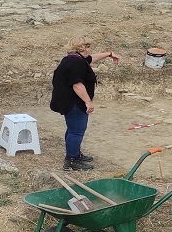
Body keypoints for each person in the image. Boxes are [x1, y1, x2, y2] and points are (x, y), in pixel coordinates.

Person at [50, 37, 120, 171]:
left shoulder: (73, 59)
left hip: (68, 101)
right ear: (81, 48)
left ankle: (75, 154)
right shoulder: (76, 63)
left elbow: (91, 58)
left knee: (72, 130)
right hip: (74, 103)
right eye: (87, 46)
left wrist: (109, 54)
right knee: (76, 131)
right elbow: (77, 84)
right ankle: (71, 160)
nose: (90, 49)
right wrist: (88, 102)